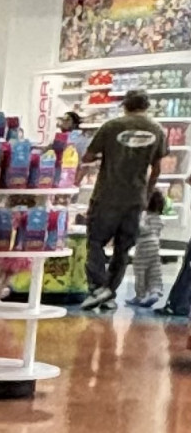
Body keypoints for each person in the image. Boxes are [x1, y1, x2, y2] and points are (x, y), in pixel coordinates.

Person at [79, 91, 168, 311]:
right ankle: (110, 291)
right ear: (146, 106)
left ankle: (98, 288)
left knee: (95, 242)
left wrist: (103, 156)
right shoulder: (157, 130)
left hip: (106, 195)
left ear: (125, 105)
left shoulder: (111, 126)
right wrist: (147, 194)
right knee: (122, 249)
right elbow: (157, 169)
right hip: (135, 198)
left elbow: (87, 157)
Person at [131, 188, 169, 308]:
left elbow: (141, 228)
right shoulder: (159, 219)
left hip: (143, 246)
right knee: (154, 271)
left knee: (140, 271)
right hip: (155, 247)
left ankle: (140, 295)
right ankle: (155, 291)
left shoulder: (144, 216)